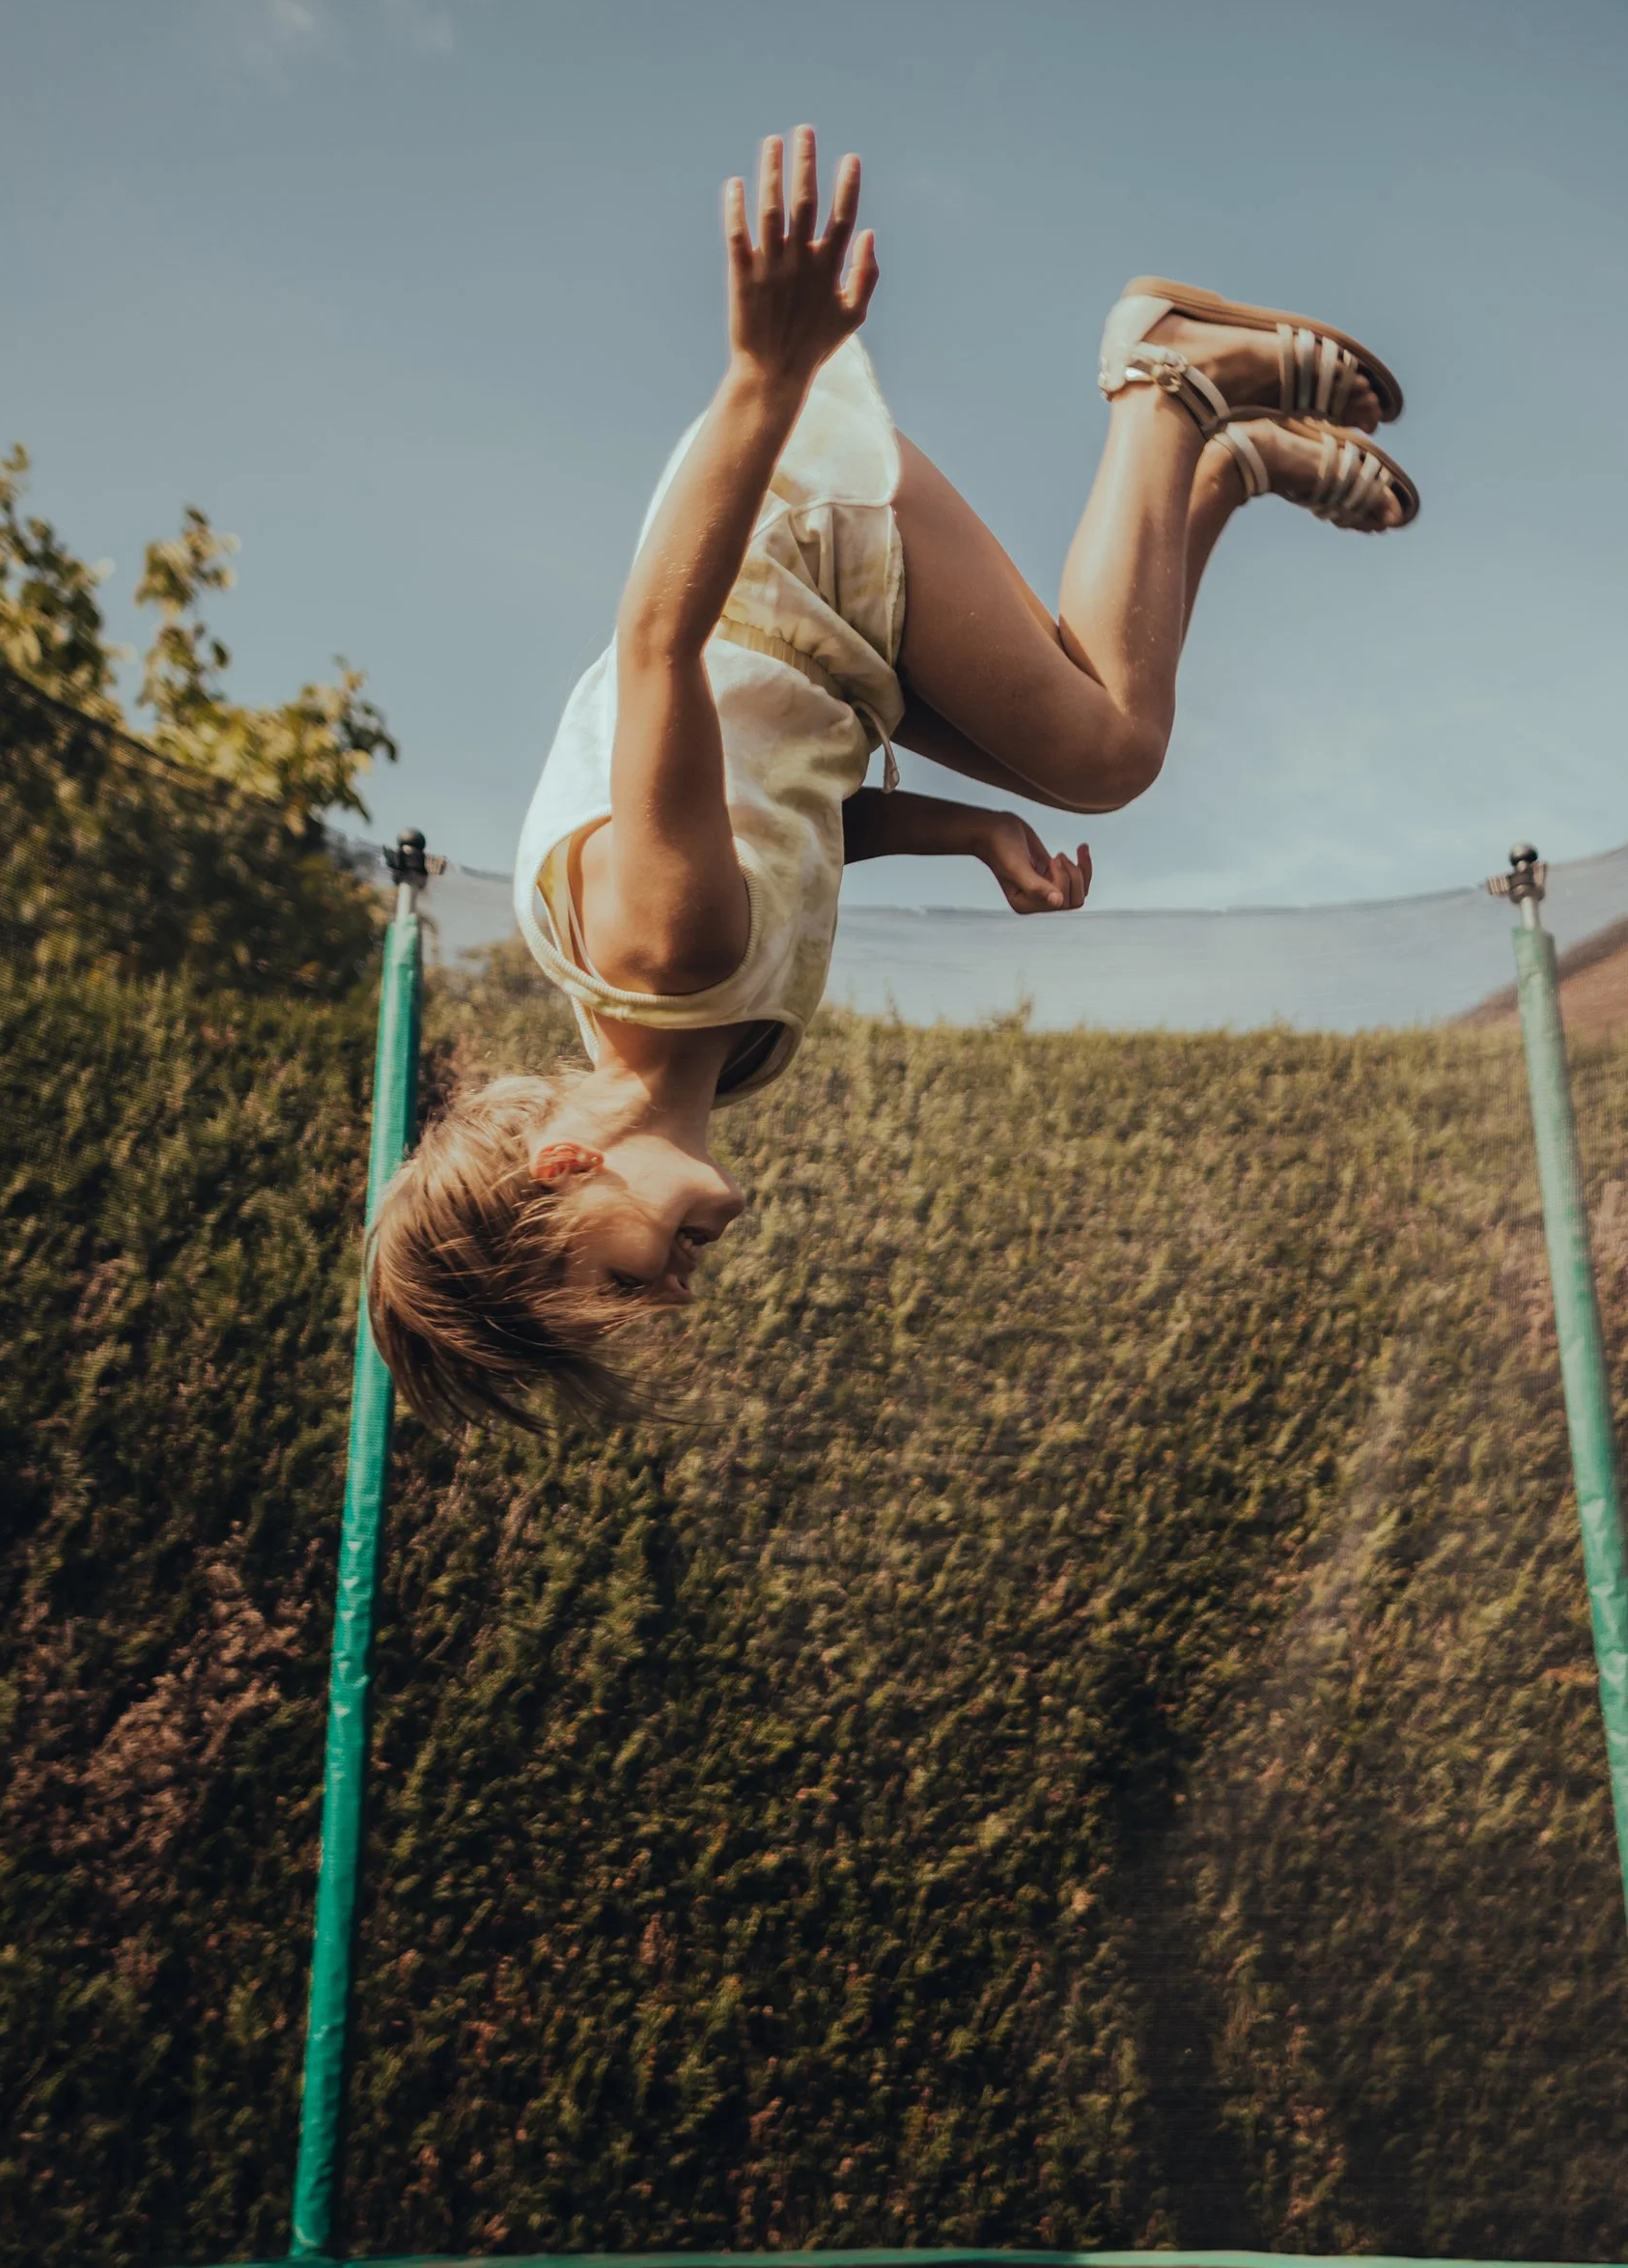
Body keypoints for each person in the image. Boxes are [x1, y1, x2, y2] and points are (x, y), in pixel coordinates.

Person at [368, 128, 1416, 1428]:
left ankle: (1172, 382)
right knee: (1094, 737)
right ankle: (1225, 466)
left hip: (787, 550)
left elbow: (656, 648)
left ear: (561, 1170)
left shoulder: (661, 954)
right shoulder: (707, 1045)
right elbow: (795, 819)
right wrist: (965, 830)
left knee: (1103, 746)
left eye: (621, 1284)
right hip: (829, 659)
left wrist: (763, 375)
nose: (673, 1298)